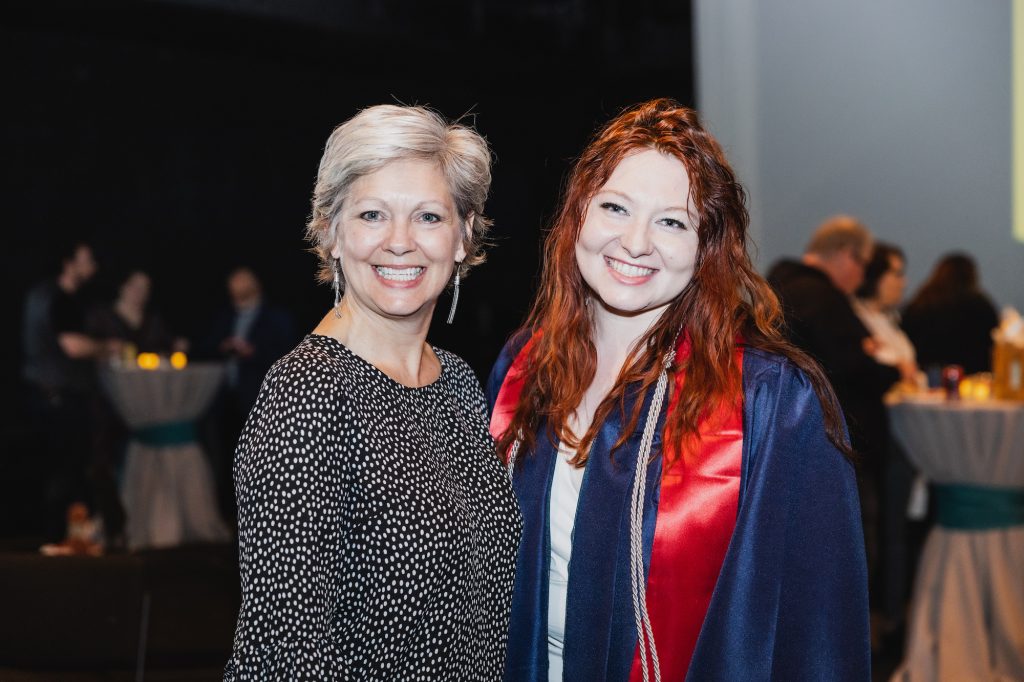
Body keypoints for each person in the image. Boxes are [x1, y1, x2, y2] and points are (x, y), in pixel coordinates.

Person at [488, 99, 869, 680]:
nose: (636, 242)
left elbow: (817, 633)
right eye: (615, 207)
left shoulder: (772, 401)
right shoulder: (525, 367)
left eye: (672, 222)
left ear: (706, 246)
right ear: (577, 217)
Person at [225, 104, 521, 680]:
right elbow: (285, 652)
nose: (400, 242)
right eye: (372, 215)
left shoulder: (458, 382)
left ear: (463, 236)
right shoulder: (308, 393)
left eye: (428, 217)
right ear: (332, 233)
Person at [767, 217, 913, 599]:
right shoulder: (824, 298)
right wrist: (888, 368)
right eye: (863, 264)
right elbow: (853, 364)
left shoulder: (777, 286)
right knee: (847, 561)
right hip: (835, 447)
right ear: (847, 255)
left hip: (788, 443)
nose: (862, 275)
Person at [22, 241, 111, 540]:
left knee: (57, 470)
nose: (92, 267)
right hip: (59, 397)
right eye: (86, 260)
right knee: (66, 470)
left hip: (44, 394)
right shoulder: (59, 298)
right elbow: (72, 346)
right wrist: (108, 348)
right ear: (68, 262)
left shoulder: (42, 294)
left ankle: (55, 539)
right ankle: (60, 540)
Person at [902, 252, 999, 376]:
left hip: (925, 376)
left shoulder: (921, 303)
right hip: (972, 378)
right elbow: (992, 345)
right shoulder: (981, 305)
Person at [88, 269, 181, 355]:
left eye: (144, 288)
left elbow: (169, 344)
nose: (138, 292)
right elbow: (86, 343)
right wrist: (104, 346)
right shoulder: (100, 315)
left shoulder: (153, 321)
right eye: (134, 286)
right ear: (123, 286)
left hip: (145, 367)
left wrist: (177, 346)